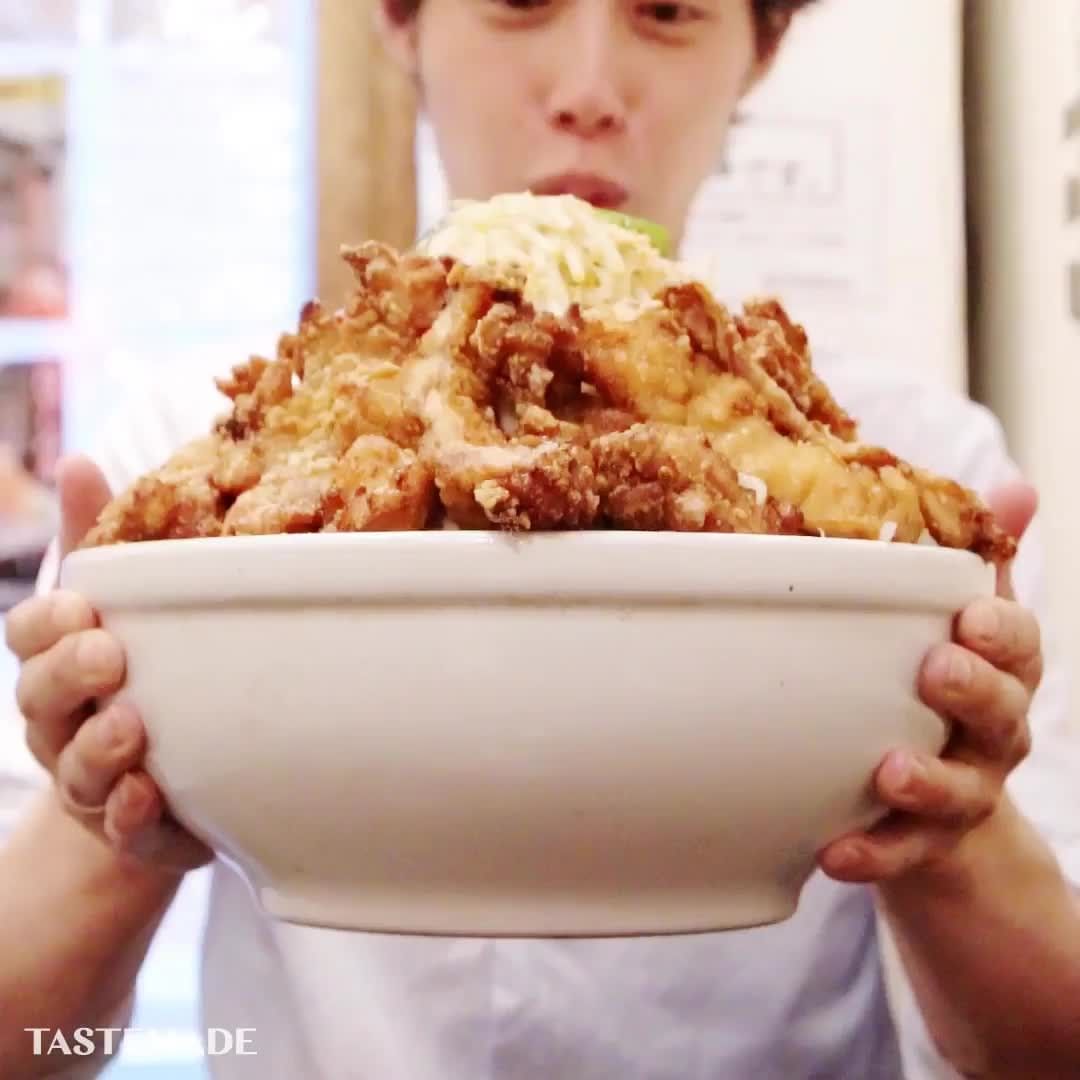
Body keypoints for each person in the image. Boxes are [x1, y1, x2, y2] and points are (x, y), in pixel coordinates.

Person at [3, 0, 1080, 1076]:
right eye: (520, 5)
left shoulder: (918, 497)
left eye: (668, 13)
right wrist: (116, 804)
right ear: (403, 24)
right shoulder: (190, 472)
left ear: (760, 48)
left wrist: (952, 824)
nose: (588, 91)